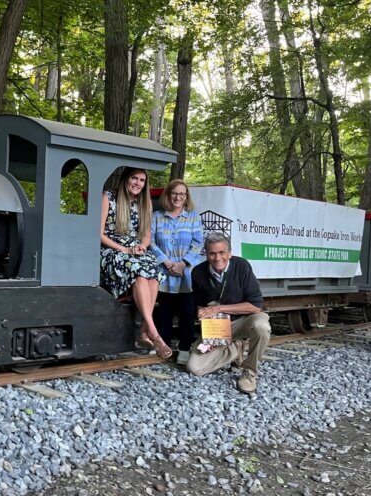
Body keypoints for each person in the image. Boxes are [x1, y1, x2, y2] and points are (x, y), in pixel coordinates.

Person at [187, 233, 271, 394]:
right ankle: (236, 348)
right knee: (194, 368)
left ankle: (249, 372)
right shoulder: (197, 272)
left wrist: (218, 308)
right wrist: (210, 335)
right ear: (206, 254)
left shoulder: (242, 266)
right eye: (212, 253)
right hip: (218, 328)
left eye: (222, 252)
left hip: (244, 321)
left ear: (229, 253)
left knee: (262, 326)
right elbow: (200, 306)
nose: (217, 258)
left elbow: (255, 306)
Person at [100, 167, 171, 358]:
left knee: (154, 273)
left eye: (141, 180)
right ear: (125, 179)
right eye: (134, 178)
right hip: (112, 250)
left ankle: (145, 329)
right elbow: (99, 234)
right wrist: (123, 250)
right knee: (140, 272)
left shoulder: (144, 202)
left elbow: (146, 236)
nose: (137, 183)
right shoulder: (109, 197)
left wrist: (141, 247)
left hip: (135, 250)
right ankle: (152, 333)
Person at [150, 180, 205, 366]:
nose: (178, 197)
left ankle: (184, 348)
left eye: (182, 194)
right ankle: (163, 345)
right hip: (163, 272)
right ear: (168, 195)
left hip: (186, 274)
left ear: (186, 197)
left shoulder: (193, 217)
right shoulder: (157, 216)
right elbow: (149, 241)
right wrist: (166, 262)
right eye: (174, 193)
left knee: (187, 313)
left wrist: (182, 263)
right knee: (164, 312)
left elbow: (198, 243)